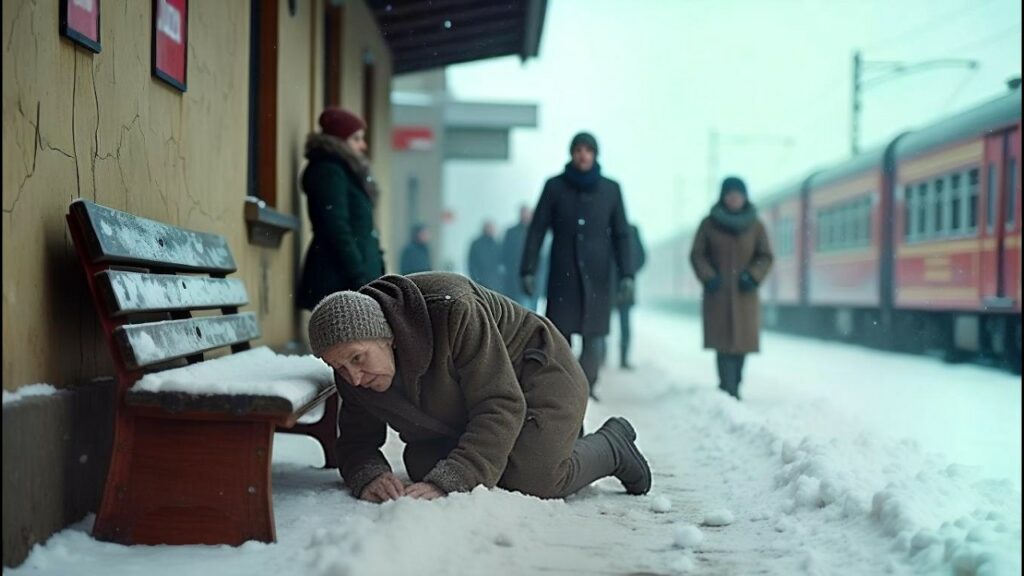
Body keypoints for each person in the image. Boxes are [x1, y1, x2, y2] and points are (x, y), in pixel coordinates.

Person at [307, 272, 652, 502]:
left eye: (358, 359)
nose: (352, 377)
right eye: (338, 366)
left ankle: (612, 445)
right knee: (423, 462)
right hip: (466, 402)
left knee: (534, 478)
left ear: (388, 337)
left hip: (536, 375)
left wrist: (452, 480)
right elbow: (355, 441)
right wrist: (369, 475)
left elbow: (500, 403)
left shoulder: (452, 308)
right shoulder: (350, 369)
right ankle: (551, 438)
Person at [520, 132, 635, 399]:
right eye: (578, 150)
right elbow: (537, 231)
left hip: (598, 277)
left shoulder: (610, 189)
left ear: (595, 154)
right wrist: (528, 268)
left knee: (594, 338)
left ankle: (586, 387)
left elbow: (622, 234)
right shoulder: (554, 187)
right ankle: (564, 389)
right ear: (572, 153)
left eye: (588, 150)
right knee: (560, 339)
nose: (583, 155)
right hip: (563, 276)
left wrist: (627, 274)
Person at [689, 176, 774, 400]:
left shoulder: (756, 225)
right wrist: (708, 277)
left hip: (745, 294)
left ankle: (736, 384)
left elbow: (765, 256)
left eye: (738, 194)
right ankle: (727, 387)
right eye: (730, 194)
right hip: (718, 293)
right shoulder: (708, 224)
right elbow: (697, 254)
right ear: (723, 196)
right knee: (723, 344)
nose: (734, 199)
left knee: (742, 345)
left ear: (744, 197)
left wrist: (754, 276)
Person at [298, 107, 384, 312]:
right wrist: (359, 276)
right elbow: (336, 228)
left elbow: (363, 229)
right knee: (347, 342)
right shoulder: (329, 171)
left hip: (352, 278)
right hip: (339, 279)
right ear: (339, 141)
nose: (363, 145)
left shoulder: (346, 171)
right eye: (356, 138)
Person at [611, 224, 646, 370]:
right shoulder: (630, 231)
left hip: (618, 284)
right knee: (607, 323)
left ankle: (621, 359)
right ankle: (602, 357)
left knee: (621, 324)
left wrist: (628, 271)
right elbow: (642, 257)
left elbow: (642, 257)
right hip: (611, 284)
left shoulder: (630, 231)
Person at [501, 205, 538, 310]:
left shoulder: (535, 232)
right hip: (515, 278)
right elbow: (506, 254)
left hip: (533, 279)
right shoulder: (511, 232)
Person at [467, 220, 504, 291]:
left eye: (492, 228)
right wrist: (474, 277)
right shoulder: (476, 244)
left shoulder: (497, 244)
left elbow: (500, 263)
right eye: (489, 227)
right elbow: (471, 262)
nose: (491, 230)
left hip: (494, 282)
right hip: (480, 279)